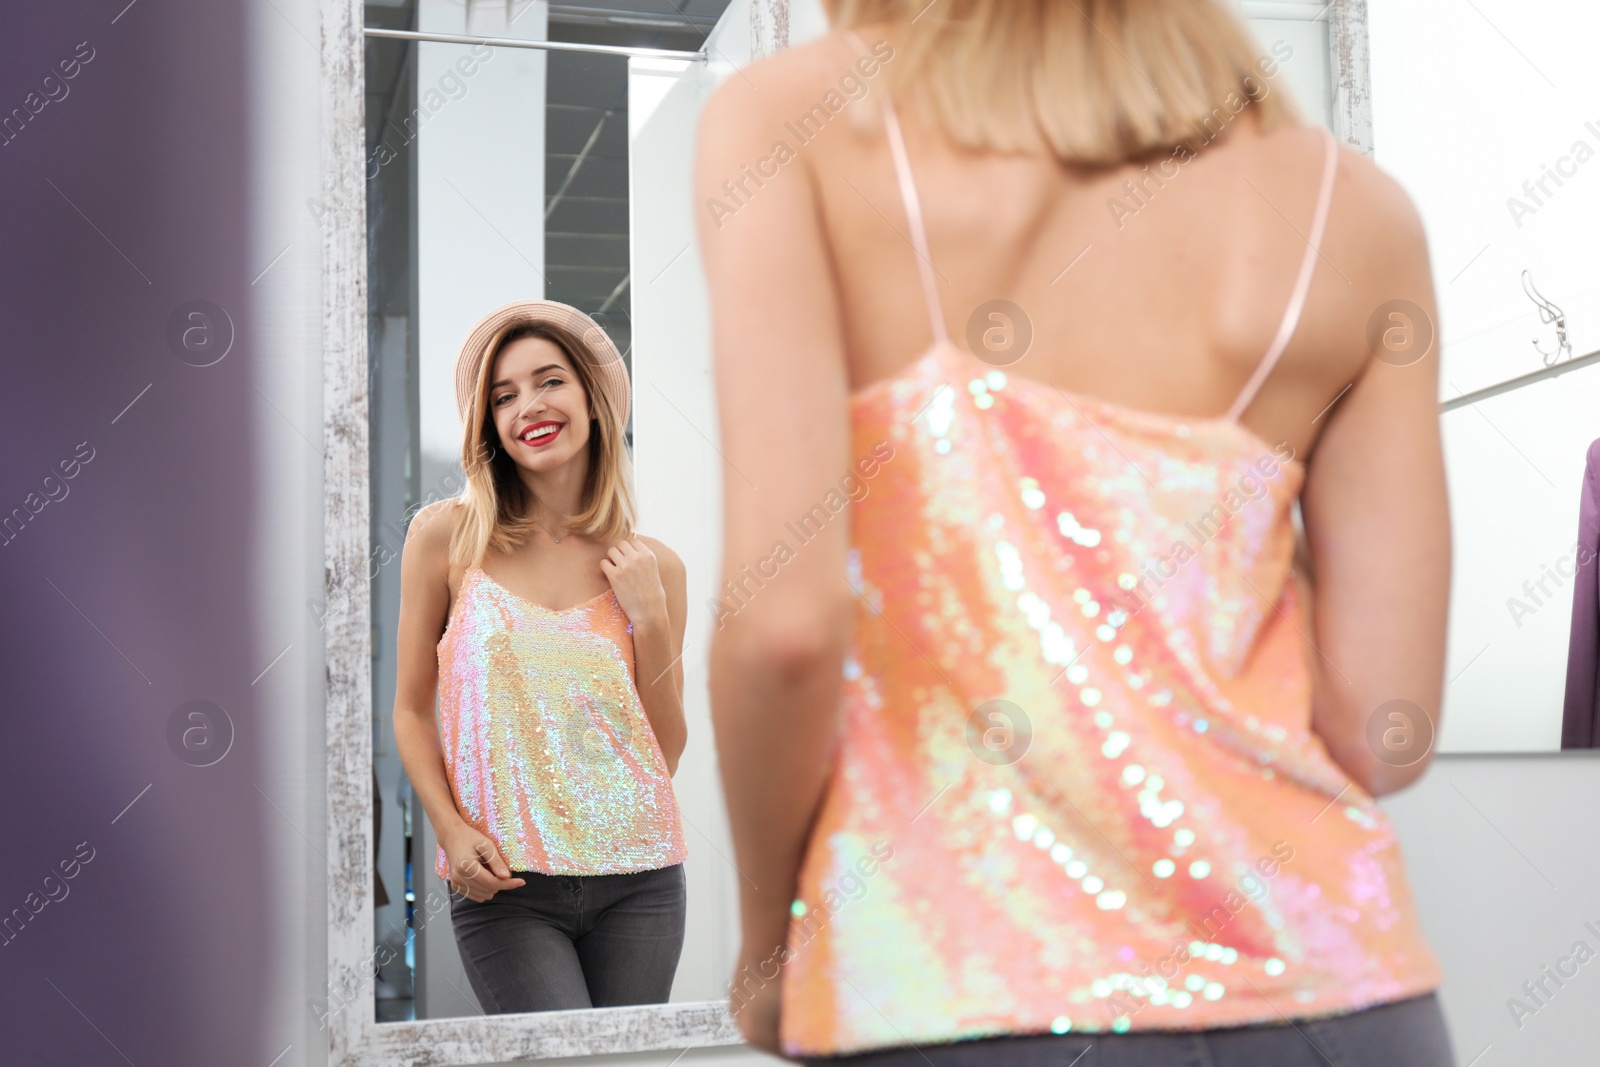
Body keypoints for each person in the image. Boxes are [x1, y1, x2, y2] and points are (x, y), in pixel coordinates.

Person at [696, 1, 1453, 1064]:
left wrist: (773, 941)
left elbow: (784, 626)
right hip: (1342, 997)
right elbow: (1383, 723)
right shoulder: (1355, 205)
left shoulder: (799, 118)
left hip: (962, 1000)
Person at [391, 300, 691, 1013]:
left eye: (549, 380)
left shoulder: (655, 567)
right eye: (504, 395)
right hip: (508, 887)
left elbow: (666, 750)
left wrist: (648, 617)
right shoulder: (446, 537)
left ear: (591, 397)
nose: (529, 404)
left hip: (642, 879)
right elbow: (408, 709)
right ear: (489, 424)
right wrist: (451, 829)